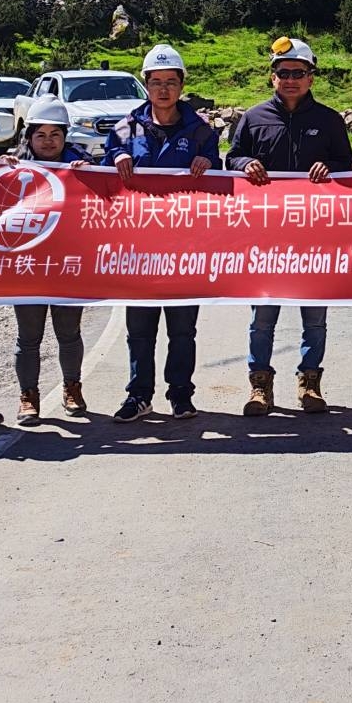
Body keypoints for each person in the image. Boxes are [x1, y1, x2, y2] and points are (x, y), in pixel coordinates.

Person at [228, 36, 352, 415]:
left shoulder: (329, 121)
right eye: (284, 73)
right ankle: (260, 387)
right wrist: (243, 164)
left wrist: (331, 168)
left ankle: (309, 384)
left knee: (314, 318)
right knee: (262, 318)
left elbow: (348, 169)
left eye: (299, 73)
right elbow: (231, 158)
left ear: (311, 77)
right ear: (273, 77)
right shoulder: (252, 119)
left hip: (316, 237)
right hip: (265, 238)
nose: (291, 79)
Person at [105, 44, 219, 422]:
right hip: (138, 250)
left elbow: (221, 181)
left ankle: (181, 395)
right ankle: (139, 395)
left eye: (171, 82)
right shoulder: (125, 128)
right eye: (156, 83)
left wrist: (210, 164)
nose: (164, 90)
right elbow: (101, 173)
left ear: (182, 85)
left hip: (185, 250)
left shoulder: (202, 131)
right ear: (146, 85)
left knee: (183, 329)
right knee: (139, 330)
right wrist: (114, 160)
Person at [9, 96, 89, 425]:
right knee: (28, 336)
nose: (48, 141)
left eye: (55, 134)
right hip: (27, 267)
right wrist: (1, 171)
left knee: (68, 332)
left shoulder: (84, 166)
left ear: (65, 136)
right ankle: (28, 395)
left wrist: (89, 179)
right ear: (29, 137)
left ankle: (72, 387)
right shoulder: (12, 167)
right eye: (40, 135)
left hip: (68, 265)